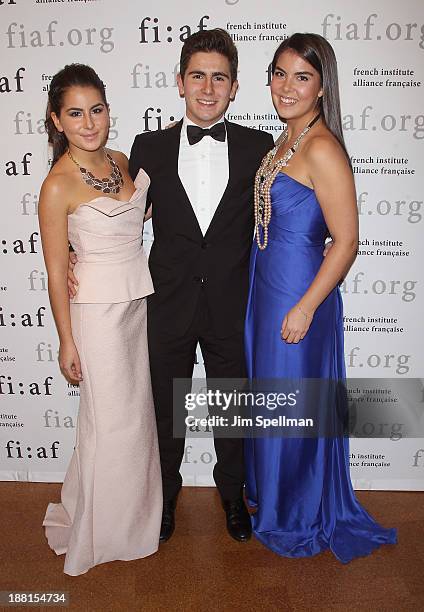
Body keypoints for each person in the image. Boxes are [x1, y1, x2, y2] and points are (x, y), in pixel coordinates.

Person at [244, 33, 397, 562]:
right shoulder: (283, 140)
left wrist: (306, 306)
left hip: (299, 291)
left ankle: (297, 512)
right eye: (279, 74)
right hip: (266, 288)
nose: (286, 87)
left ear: (322, 85)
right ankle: (274, 500)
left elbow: (347, 240)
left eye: (301, 77)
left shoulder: (323, 147)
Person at [128, 29, 274, 542]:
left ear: (234, 87)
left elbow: (281, 213)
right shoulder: (146, 147)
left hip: (232, 303)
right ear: (179, 82)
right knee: (166, 409)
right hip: (167, 302)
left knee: (232, 407)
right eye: (198, 76)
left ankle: (233, 497)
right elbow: (123, 218)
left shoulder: (261, 146)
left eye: (219, 77)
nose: (208, 88)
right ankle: (164, 497)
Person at [38, 64, 162, 576]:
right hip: (95, 318)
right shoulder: (56, 186)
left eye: (97, 110)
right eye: (75, 113)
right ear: (57, 120)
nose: (89, 122)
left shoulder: (122, 161)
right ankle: (103, 532)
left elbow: (135, 214)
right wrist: (67, 342)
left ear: (108, 111)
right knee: (110, 426)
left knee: (135, 423)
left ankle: (134, 521)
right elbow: (53, 270)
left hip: (136, 305)